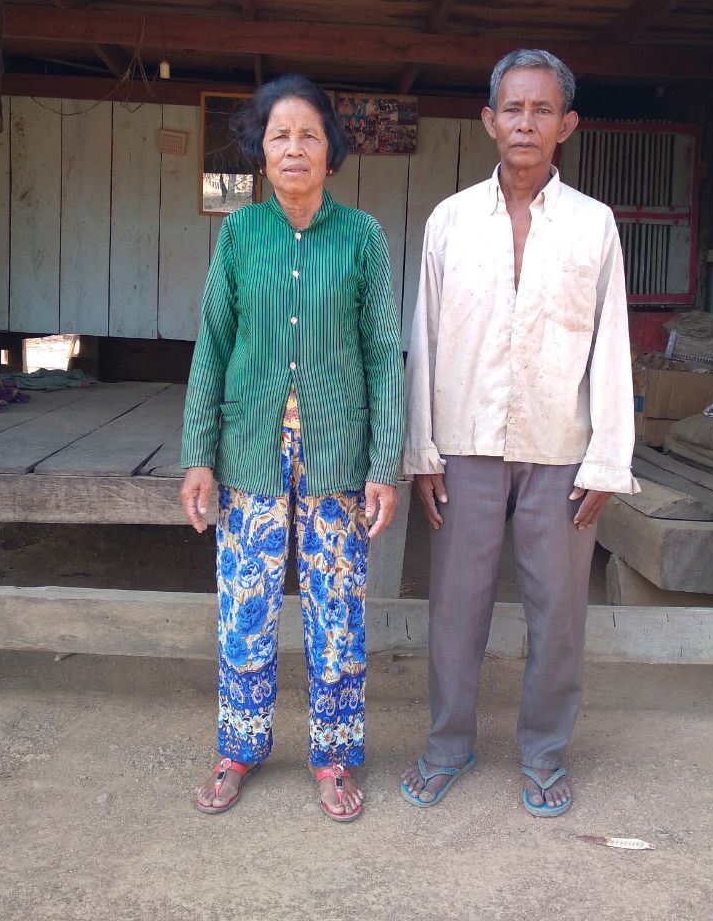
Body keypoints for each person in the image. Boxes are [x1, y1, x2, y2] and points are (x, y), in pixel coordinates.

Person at [399, 49, 639, 817]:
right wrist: (421, 448)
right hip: (465, 445)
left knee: (558, 614)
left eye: (542, 110)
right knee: (455, 609)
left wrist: (608, 457)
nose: (525, 123)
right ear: (488, 120)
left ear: (566, 125)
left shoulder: (594, 227)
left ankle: (542, 753)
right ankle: (447, 745)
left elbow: (612, 345)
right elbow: (424, 336)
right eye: (513, 108)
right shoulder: (450, 221)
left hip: (559, 451)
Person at [180, 74, 404, 822]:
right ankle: (238, 748)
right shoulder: (240, 235)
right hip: (249, 453)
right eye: (280, 136)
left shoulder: (362, 237)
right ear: (262, 152)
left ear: (331, 150)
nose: (295, 148)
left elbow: (383, 355)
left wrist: (384, 465)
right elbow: (212, 346)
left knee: (335, 610)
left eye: (310, 134)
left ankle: (334, 755)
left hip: (339, 458)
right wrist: (198, 454)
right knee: (245, 607)